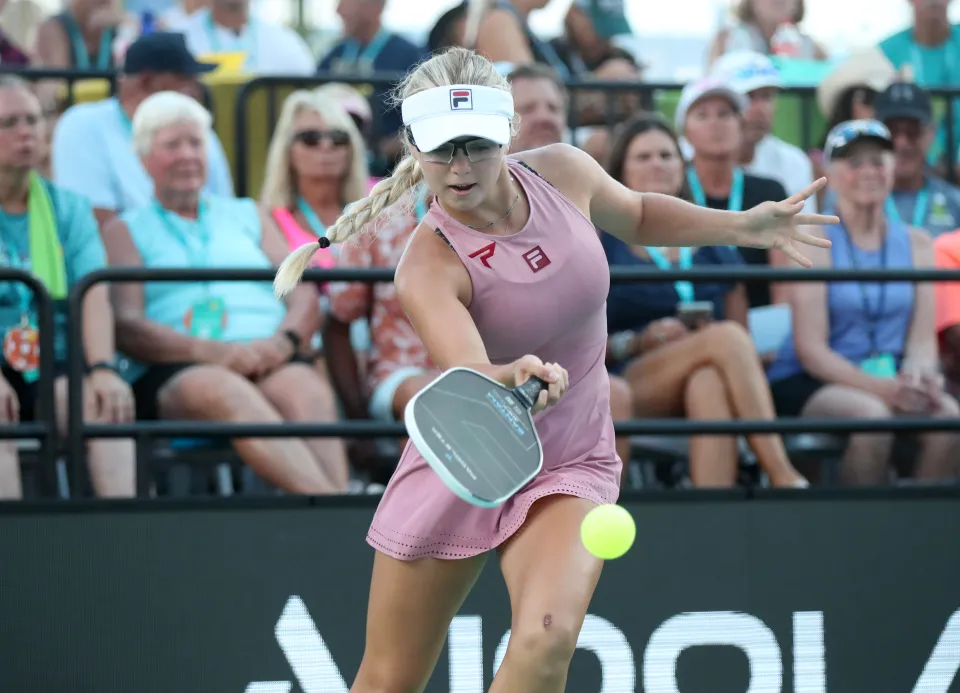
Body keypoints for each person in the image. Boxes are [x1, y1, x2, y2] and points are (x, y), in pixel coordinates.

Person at [273, 47, 833, 691]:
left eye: (475, 146)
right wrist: (509, 376)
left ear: (508, 134)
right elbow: (471, 370)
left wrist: (744, 227)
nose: (458, 168)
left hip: (570, 458)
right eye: (440, 149)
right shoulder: (425, 267)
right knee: (387, 680)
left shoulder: (564, 171)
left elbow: (641, 214)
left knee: (546, 641)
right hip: (467, 456)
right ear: (411, 146)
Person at [102, 91, 349, 495]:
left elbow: (301, 292)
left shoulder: (248, 213)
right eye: (172, 144)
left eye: (195, 143)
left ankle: (338, 517)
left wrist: (281, 343)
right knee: (224, 391)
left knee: (306, 390)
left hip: (267, 354)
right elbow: (127, 324)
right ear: (144, 159)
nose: (187, 155)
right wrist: (212, 353)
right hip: (182, 366)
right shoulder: (123, 230)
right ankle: (333, 509)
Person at [603, 113, 806, 488]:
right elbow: (582, 344)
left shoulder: (712, 239)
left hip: (707, 371)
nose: (657, 165)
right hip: (629, 377)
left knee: (710, 377)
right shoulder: (602, 240)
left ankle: (714, 517)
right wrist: (640, 339)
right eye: (643, 157)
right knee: (723, 338)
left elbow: (743, 336)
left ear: (682, 166)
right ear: (620, 171)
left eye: (666, 155)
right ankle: (781, 473)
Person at [768, 119, 960, 485]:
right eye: (855, 163)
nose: (869, 171)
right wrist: (886, 389)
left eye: (878, 160)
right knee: (873, 418)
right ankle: (857, 537)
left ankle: (917, 535)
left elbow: (921, 340)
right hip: (813, 379)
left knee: (948, 416)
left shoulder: (919, 243)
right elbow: (812, 351)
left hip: (891, 376)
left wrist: (921, 379)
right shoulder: (812, 238)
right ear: (830, 173)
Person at [0, 76, 135, 499]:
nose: (26, 132)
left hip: (52, 356)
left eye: (32, 120)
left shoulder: (69, 207)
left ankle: (127, 543)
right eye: (8, 123)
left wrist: (102, 369)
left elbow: (91, 292)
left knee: (103, 407)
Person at [51, 32, 234, 230]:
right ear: (148, 82)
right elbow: (95, 230)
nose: (196, 90)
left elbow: (224, 215)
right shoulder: (83, 126)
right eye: (185, 79)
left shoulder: (198, 130)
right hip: (130, 257)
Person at [874, 82, 960, 237]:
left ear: (931, 133)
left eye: (913, 131)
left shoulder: (954, 202)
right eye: (891, 131)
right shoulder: (855, 201)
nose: (902, 143)